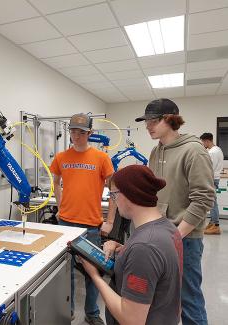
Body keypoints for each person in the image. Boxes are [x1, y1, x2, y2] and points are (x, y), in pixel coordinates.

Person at [135, 98, 215, 325]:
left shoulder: (194, 151)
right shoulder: (155, 151)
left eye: (153, 120)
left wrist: (177, 236)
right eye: (146, 121)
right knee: (163, 297)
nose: (148, 125)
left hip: (185, 238)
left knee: (188, 298)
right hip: (161, 234)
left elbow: (204, 198)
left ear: (170, 119)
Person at [81, 165, 183, 325]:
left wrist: (94, 275)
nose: (113, 201)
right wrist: (124, 249)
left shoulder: (144, 247)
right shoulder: (167, 228)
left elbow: (131, 320)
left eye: (113, 195)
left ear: (129, 194)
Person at [50, 113, 116, 325]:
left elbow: (113, 190)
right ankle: (67, 310)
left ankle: (92, 313)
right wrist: (60, 207)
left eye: (81, 132)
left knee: (92, 272)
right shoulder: (61, 157)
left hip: (91, 225)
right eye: (73, 131)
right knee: (66, 271)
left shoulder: (101, 158)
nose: (76, 136)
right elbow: (56, 182)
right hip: (65, 224)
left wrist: (111, 221)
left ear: (90, 133)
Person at [200, 132, 224, 235]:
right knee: (212, 201)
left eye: (203, 142)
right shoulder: (217, 149)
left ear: (207, 141)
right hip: (215, 178)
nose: (203, 144)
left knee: (212, 202)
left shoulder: (212, 152)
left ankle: (216, 225)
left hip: (212, 178)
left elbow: (209, 168)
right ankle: (212, 222)